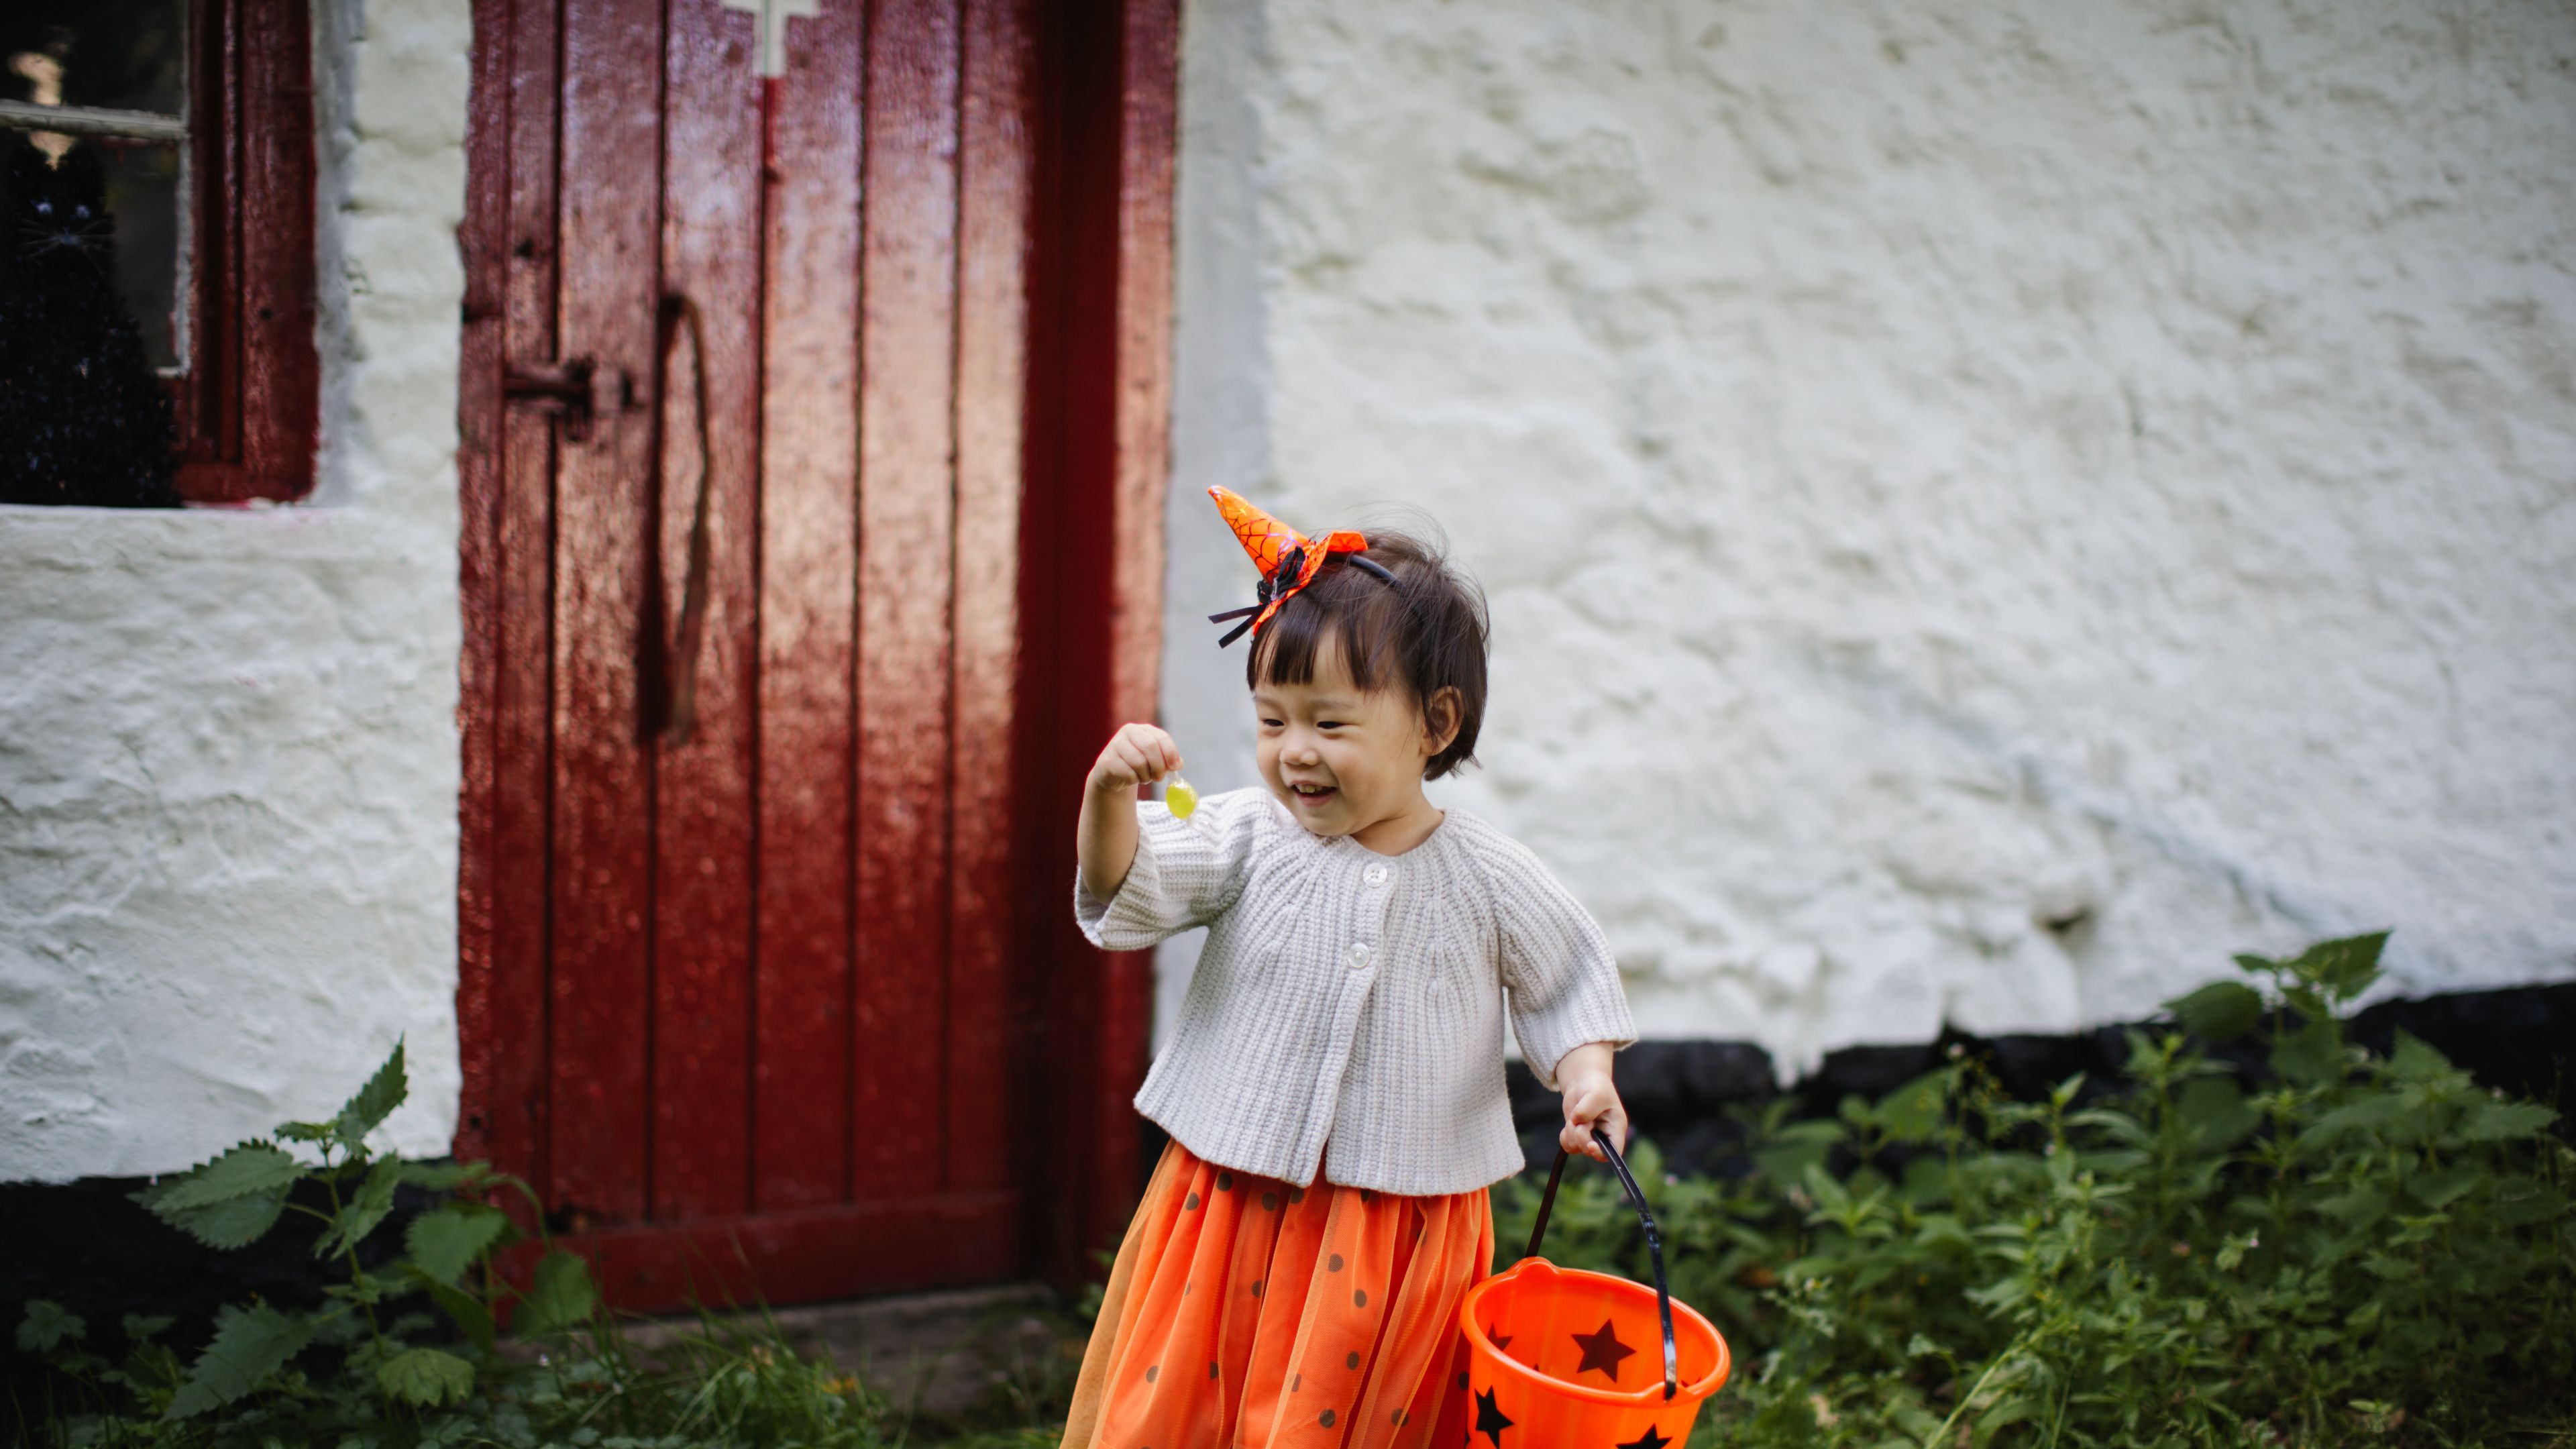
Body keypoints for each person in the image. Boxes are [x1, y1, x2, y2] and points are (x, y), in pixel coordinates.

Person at [1060, 488, 1637, 1448]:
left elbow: (1570, 981)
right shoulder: (1247, 836)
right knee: (1202, 1400)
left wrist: (1588, 1081)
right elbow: (1132, 887)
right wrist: (1107, 800)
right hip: (1232, 1203)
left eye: (1329, 725)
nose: (1293, 755)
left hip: (1393, 1230)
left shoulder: (1489, 878)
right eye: (1271, 720)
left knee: (1344, 1415)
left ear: (1435, 725)